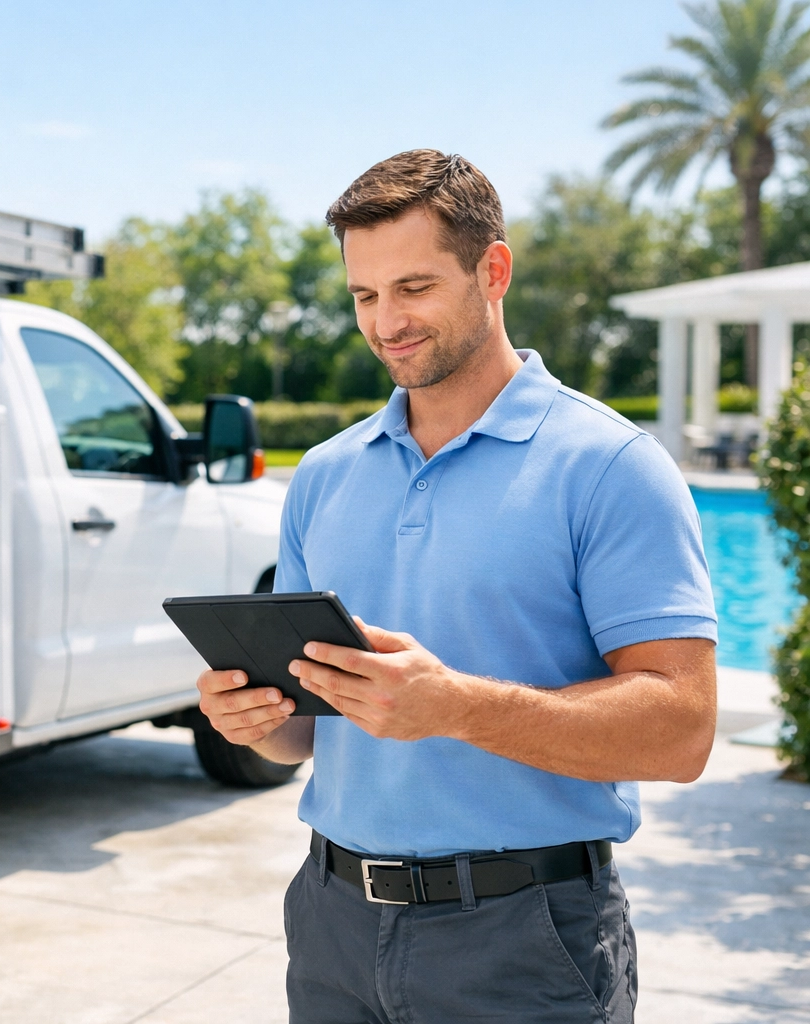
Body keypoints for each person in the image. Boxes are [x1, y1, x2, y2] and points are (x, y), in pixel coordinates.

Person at [196, 149, 717, 1024]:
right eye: (364, 296)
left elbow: (684, 729)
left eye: (414, 287)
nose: (386, 322)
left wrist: (456, 707)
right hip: (332, 927)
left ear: (494, 270)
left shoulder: (611, 467)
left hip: (524, 941)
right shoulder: (324, 475)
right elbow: (300, 737)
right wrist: (254, 717)